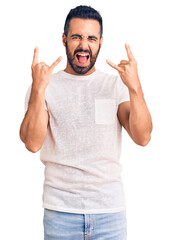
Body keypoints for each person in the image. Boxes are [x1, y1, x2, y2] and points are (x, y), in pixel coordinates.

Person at [19, 5, 153, 240]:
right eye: (76, 37)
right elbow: (32, 143)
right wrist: (38, 90)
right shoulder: (45, 85)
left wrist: (135, 86)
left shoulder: (115, 85)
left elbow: (142, 137)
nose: (84, 45)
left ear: (100, 42)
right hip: (60, 213)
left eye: (91, 38)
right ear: (64, 39)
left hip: (109, 214)